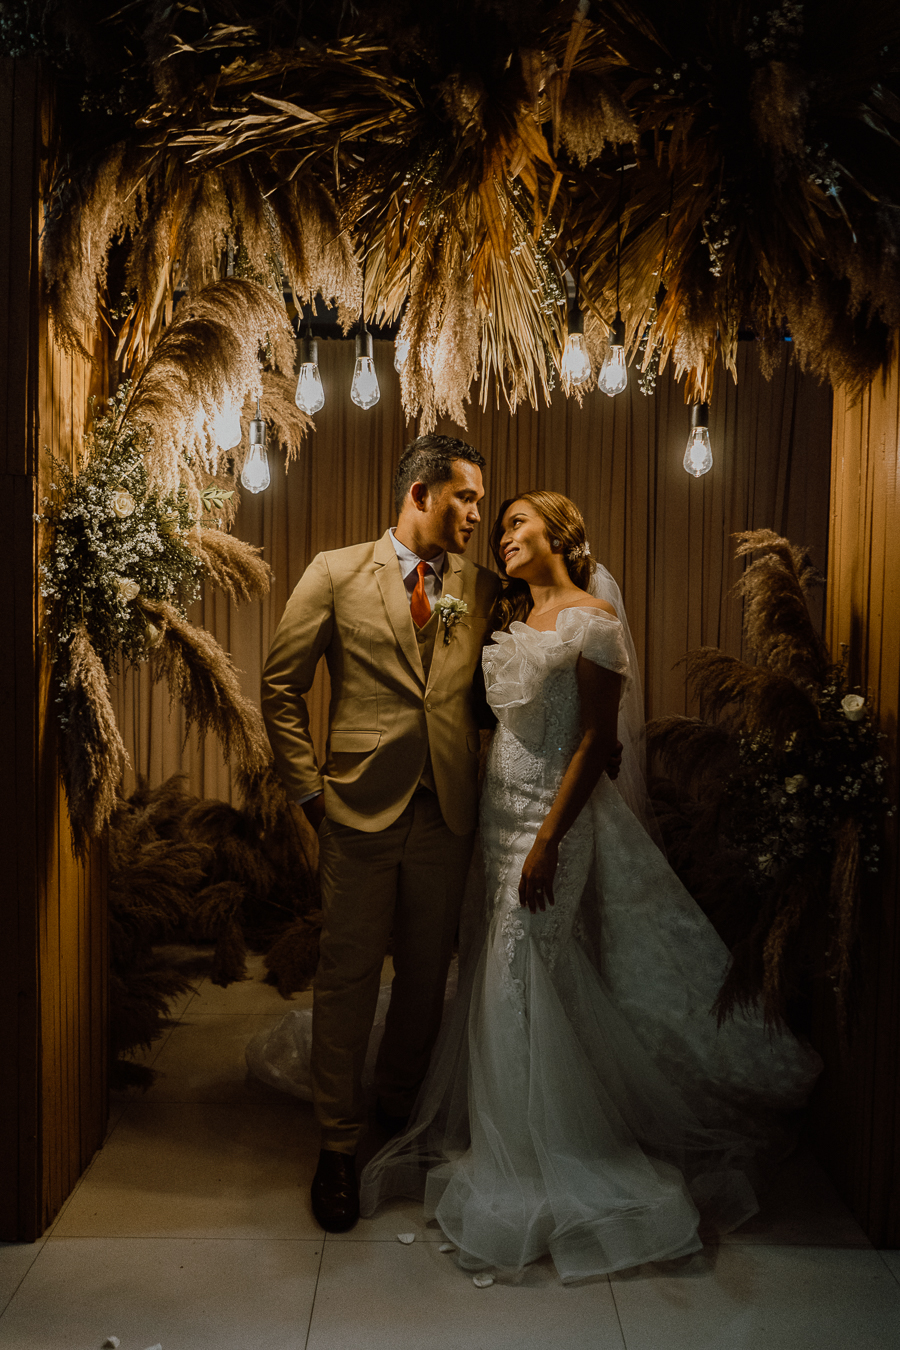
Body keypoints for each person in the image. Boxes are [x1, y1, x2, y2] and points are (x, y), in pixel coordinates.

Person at [358, 490, 821, 1283]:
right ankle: (516, 1127)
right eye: (501, 528)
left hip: (551, 826)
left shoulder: (593, 623)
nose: (503, 536)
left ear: (561, 531)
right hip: (498, 817)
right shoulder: (516, 618)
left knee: (515, 975)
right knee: (509, 974)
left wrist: (547, 840)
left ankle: (536, 1155)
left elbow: (595, 741)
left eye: (518, 523)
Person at [260, 434, 504, 1233]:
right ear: (420, 494)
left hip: (447, 815)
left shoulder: (483, 587)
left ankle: (400, 1109)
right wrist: (309, 793)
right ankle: (337, 1143)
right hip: (357, 812)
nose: (477, 513)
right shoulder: (335, 573)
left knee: (427, 977)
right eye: (465, 497)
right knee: (348, 976)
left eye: (479, 500)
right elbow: (281, 686)